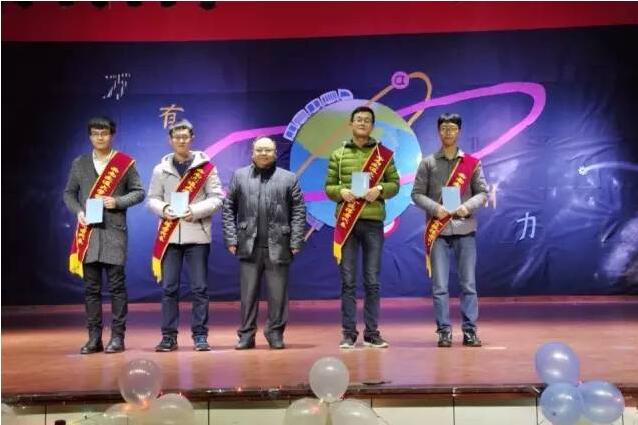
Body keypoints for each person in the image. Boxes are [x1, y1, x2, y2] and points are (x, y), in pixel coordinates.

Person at [64, 116, 145, 354]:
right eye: (95, 133)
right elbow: (69, 193)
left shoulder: (124, 163)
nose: (100, 137)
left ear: (112, 135)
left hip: (114, 234)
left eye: (104, 133)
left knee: (117, 287)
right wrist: (78, 211)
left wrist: (117, 201)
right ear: (90, 136)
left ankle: (117, 337)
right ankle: (94, 338)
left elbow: (139, 192)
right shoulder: (80, 163)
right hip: (88, 234)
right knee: (91, 289)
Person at [324, 106, 400, 349]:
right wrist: (341, 192)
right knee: (348, 281)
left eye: (367, 120)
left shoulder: (382, 155)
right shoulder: (338, 154)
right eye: (359, 119)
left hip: (373, 222)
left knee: (372, 281)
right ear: (351, 123)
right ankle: (348, 333)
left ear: (372, 126)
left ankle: (372, 333)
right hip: (347, 223)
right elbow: (329, 187)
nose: (363, 123)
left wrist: (380, 189)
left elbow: (395, 184)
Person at [411, 112, 488, 347]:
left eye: (452, 128)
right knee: (440, 287)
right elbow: (416, 194)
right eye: (444, 128)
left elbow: (483, 193)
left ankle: (470, 331)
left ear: (459, 131)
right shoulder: (428, 163)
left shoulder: (472, 163)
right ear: (438, 131)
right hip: (439, 232)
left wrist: (467, 206)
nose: (448, 132)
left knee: (468, 285)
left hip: (465, 229)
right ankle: (444, 331)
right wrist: (436, 208)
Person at [222, 136, 306, 350]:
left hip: (279, 245)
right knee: (248, 295)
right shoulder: (240, 176)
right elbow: (228, 208)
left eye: (268, 150)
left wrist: (296, 241)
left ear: (275, 153)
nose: (263, 153)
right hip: (248, 245)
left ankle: (275, 332)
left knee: (278, 296)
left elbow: (298, 210)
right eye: (259, 150)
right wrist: (231, 238)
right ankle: (246, 335)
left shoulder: (288, 178)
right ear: (252, 153)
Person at [148, 119, 224, 352]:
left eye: (185, 137)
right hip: (169, 237)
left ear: (192, 139)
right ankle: (168, 337)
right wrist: (164, 209)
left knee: (199, 288)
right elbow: (152, 198)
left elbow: (217, 198)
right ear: (170, 140)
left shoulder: (206, 168)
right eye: (177, 137)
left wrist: (195, 211)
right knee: (169, 289)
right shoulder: (160, 169)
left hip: (197, 236)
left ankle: (200, 335)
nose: (181, 141)